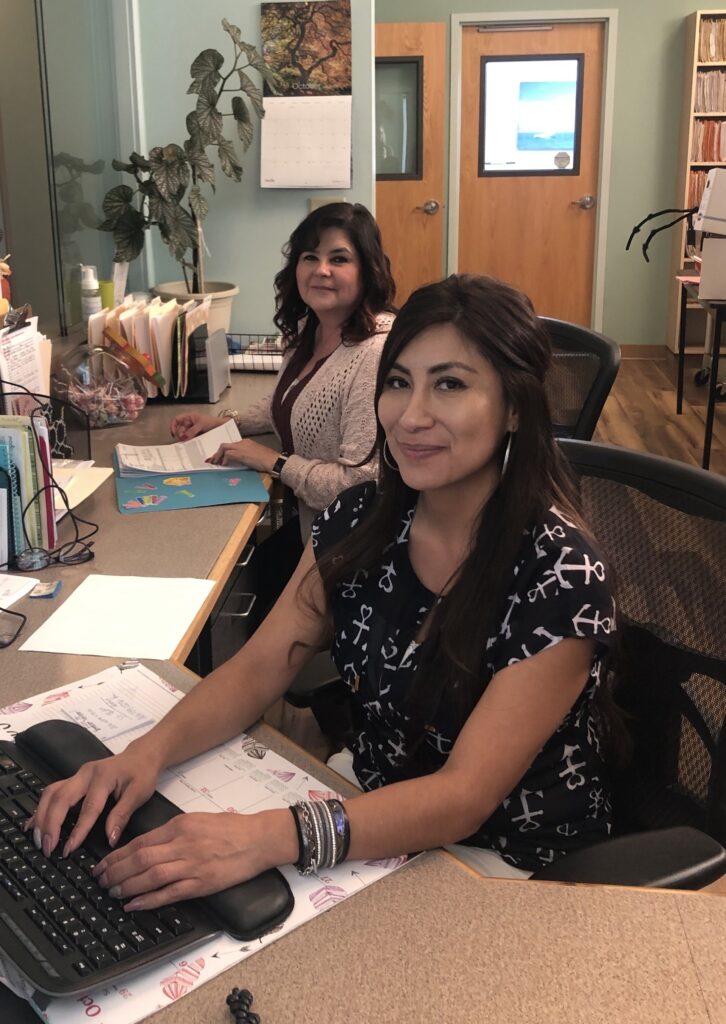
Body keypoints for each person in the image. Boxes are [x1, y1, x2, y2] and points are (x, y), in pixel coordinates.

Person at [30, 274, 620, 907]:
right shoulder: (361, 519)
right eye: (399, 383)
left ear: (514, 407)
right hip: (365, 805)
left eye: (450, 384)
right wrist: (143, 756)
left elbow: (463, 797)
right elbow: (261, 666)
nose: (411, 416)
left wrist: (266, 837)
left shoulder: (560, 575)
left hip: (504, 863)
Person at [170, 202, 396, 549]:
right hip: (310, 529)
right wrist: (228, 422)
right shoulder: (311, 328)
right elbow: (296, 400)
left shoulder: (374, 352)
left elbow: (359, 484)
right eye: (310, 257)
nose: (321, 270)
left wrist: (272, 462)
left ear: (368, 270)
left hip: (352, 549)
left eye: (339, 259)